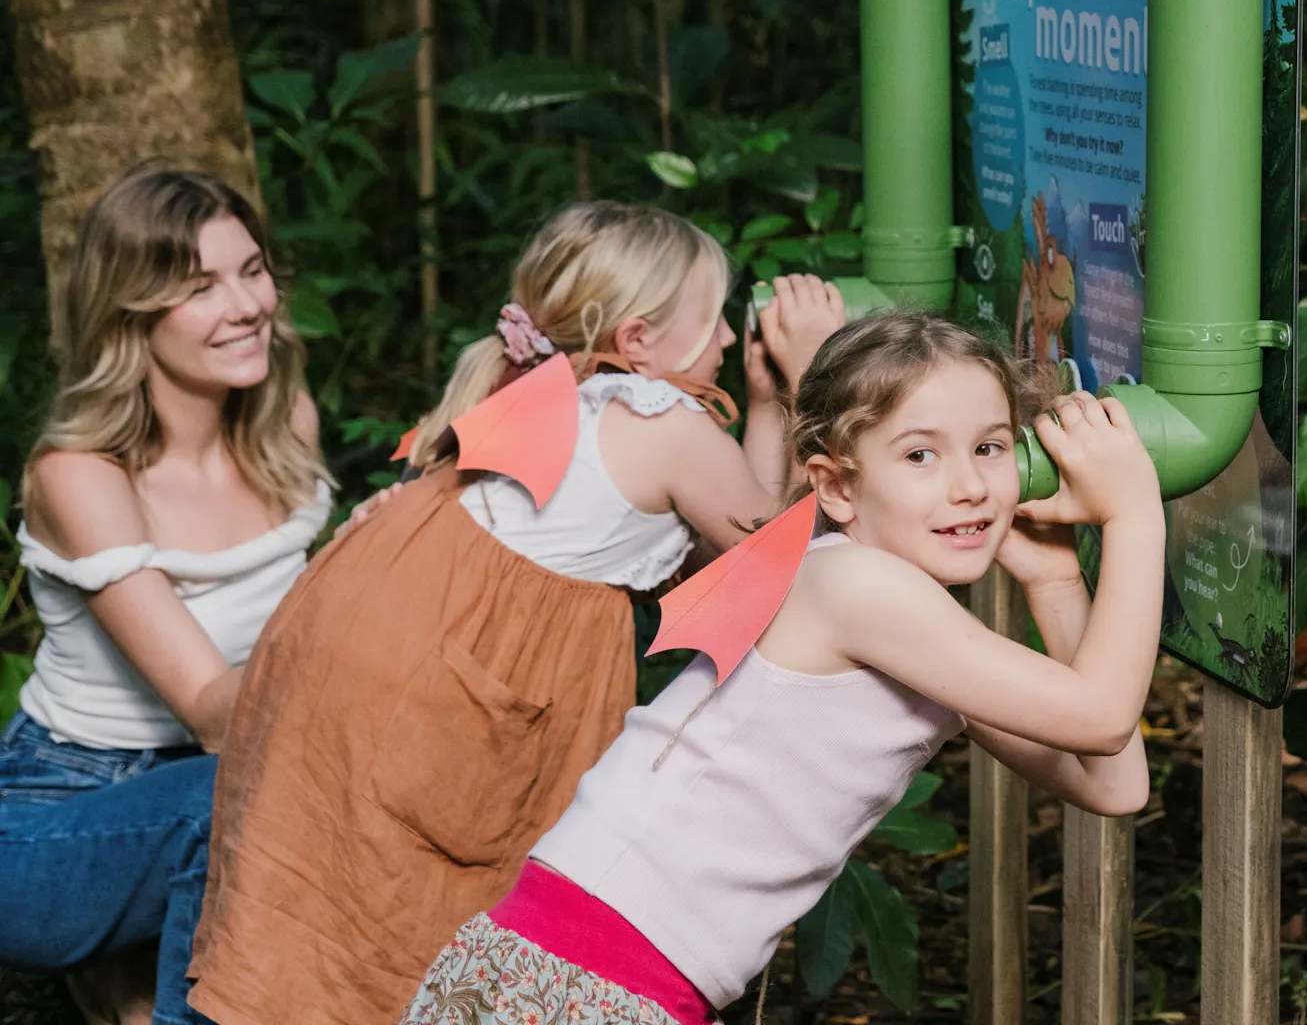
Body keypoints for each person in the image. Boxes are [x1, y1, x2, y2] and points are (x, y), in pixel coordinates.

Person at [401, 309, 1167, 1025]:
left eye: (990, 447)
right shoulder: (858, 588)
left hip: (587, 970)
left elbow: (1114, 781)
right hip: (587, 978)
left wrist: (1054, 581)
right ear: (835, 486)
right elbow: (1100, 717)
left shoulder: (905, 621)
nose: (968, 485)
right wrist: (1134, 514)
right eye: (920, 454)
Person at [187, 202, 844, 1025]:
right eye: (712, 320)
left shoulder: (552, 390)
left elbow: (740, 533)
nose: (721, 341)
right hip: (461, 678)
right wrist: (817, 368)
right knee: (441, 894)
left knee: (334, 894)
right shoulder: (661, 421)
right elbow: (776, 568)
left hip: (377, 630)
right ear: (638, 341)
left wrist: (766, 403)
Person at [1, 167, 332, 1025]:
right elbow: (216, 716)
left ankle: (129, 983)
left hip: (220, 794)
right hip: (58, 816)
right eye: (201, 287)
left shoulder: (286, 425)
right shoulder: (80, 475)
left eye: (252, 270)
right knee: (238, 795)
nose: (248, 303)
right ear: (131, 313)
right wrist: (365, 587)